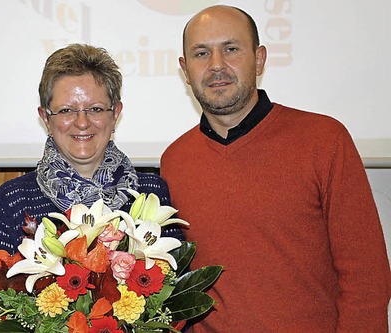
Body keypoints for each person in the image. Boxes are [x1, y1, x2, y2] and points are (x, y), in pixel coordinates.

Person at [161, 5, 391, 332]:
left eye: (231, 49)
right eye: (201, 53)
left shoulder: (324, 140)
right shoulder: (174, 161)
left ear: (259, 59)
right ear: (185, 70)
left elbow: (367, 278)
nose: (216, 65)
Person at [0, 44, 184, 259]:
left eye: (95, 109)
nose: (82, 123)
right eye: (66, 110)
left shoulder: (151, 193)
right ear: (46, 118)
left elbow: (176, 280)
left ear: (115, 114)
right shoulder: (13, 201)